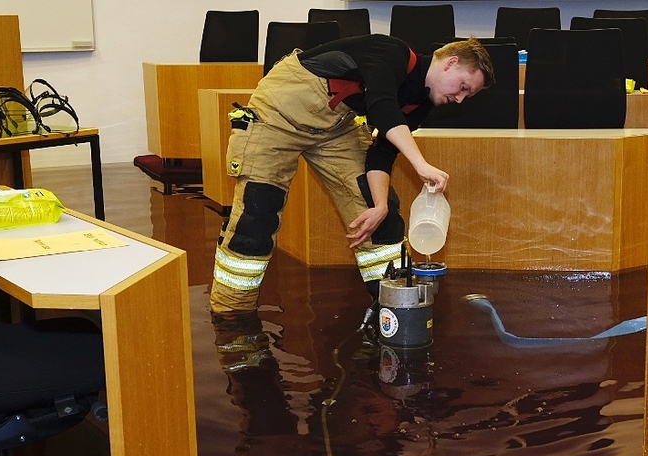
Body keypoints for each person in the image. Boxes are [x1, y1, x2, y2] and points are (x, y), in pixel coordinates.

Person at [210, 35, 495, 338]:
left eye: (469, 95)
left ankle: (394, 308)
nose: (461, 99)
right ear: (451, 63)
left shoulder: (420, 103)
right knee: (257, 215)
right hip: (277, 114)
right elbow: (381, 104)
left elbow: (382, 152)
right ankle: (231, 320)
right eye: (463, 87)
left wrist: (380, 205)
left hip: (334, 126)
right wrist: (420, 164)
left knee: (380, 215)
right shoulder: (392, 52)